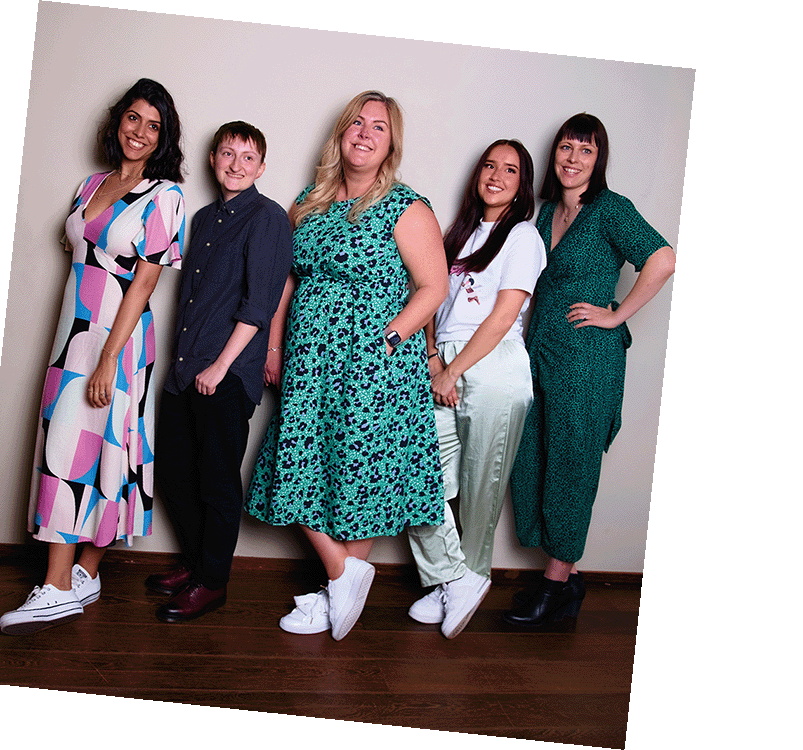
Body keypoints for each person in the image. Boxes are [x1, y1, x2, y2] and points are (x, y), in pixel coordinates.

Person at [246, 91, 449, 640]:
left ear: (390, 144)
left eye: (377, 127)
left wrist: (390, 339)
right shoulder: (308, 200)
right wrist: (271, 344)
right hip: (312, 358)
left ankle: (335, 590)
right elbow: (288, 280)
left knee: (359, 474)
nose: (364, 133)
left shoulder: (406, 205)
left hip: (375, 361)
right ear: (340, 133)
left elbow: (434, 287)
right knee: (299, 461)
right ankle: (344, 581)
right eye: (356, 123)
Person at [0, 79, 186, 635]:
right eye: (134, 118)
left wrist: (108, 357)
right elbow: (82, 250)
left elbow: (144, 282)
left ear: (163, 138)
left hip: (115, 339)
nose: (140, 132)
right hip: (69, 334)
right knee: (80, 445)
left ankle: (57, 586)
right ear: (118, 121)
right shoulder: (90, 184)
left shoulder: (166, 195)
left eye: (153, 126)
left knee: (94, 447)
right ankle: (83, 573)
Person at [505, 113, 675, 628]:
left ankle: (555, 583)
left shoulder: (610, 210)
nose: (573, 158)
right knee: (532, 458)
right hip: (539, 354)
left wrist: (617, 313)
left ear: (598, 160)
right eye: (566, 147)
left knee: (573, 467)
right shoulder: (543, 213)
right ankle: (568, 579)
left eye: (586, 150)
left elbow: (663, 258)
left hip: (586, 359)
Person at [147, 122, 293, 622]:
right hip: (185, 369)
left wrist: (221, 366)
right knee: (171, 469)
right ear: (212, 159)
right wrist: (186, 366)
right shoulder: (204, 218)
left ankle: (213, 581)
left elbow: (260, 302)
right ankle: (195, 563)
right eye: (227, 153)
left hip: (225, 373)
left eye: (247, 157)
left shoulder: (268, 217)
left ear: (261, 167)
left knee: (216, 480)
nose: (236, 164)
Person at [405, 140, 546, 639]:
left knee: (482, 485)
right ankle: (449, 578)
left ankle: (474, 577)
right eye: (490, 165)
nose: (497, 175)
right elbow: (429, 297)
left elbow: (505, 315)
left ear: (521, 183)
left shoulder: (523, 236)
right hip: (444, 358)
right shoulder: (454, 235)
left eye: (511, 170)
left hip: (494, 362)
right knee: (420, 479)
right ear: (476, 174)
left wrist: (453, 369)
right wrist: (433, 360)